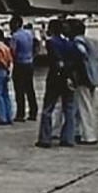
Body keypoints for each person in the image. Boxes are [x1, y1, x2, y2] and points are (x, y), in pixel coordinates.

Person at [36, 19, 78, 149]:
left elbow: (55, 60)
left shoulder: (51, 42)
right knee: (69, 109)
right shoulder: (70, 43)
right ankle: (68, 138)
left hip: (55, 77)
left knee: (48, 109)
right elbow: (76, 60)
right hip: (69, 77)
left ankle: (45, 138)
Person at [70, 18, 98, 144]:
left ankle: (89, 135)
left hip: (83, 77)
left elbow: (81, 54)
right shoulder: (93, 42)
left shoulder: (77, 42)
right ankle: (79, 131)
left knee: (84, 106)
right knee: (86, 105)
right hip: (94, 77)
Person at [8, 16, 38, 122]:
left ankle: (20, 114)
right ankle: (33, 112)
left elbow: (12, 51)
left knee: (19, 90)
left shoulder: (15, 37)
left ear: (16, 24)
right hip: (29, 63)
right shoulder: (29, 34)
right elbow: (35, 45)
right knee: (30, 88)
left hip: (19, 64)